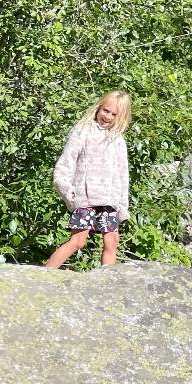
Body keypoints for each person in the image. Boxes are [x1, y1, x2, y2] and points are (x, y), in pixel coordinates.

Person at [45, 90, 132, 269]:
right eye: (105, 111)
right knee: (78, 240)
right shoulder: (83, 131)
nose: (107, 116)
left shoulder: (118, 140)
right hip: (85, 198)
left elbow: (123, 175)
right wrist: (66, 189)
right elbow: (66, 161)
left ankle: (106, 284)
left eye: (113, 114)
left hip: (109, 200)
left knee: (111, 241)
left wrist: (122, 206)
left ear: (121, 117)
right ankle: (44, 275)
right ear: (98, 108)